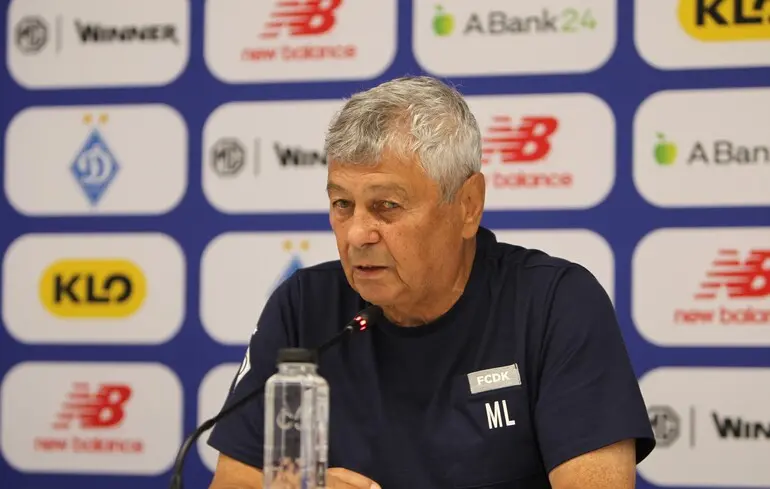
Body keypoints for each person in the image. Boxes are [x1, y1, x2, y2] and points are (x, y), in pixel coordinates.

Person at [207, 75, 655, 489]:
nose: (357, 234)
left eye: (386, 206)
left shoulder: (555, 303)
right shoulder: (304, 305)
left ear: (467, 205)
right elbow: (233, 482)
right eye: (342, 204)